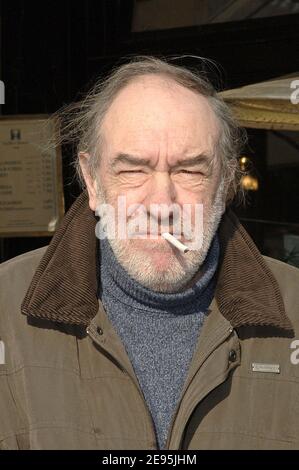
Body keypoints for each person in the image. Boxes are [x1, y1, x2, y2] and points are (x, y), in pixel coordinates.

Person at [0, 57, 299, 450]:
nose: (161, 204)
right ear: (91, 180)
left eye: (190, 171)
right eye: (133, 170)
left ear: (226, 183)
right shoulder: (6, 309)